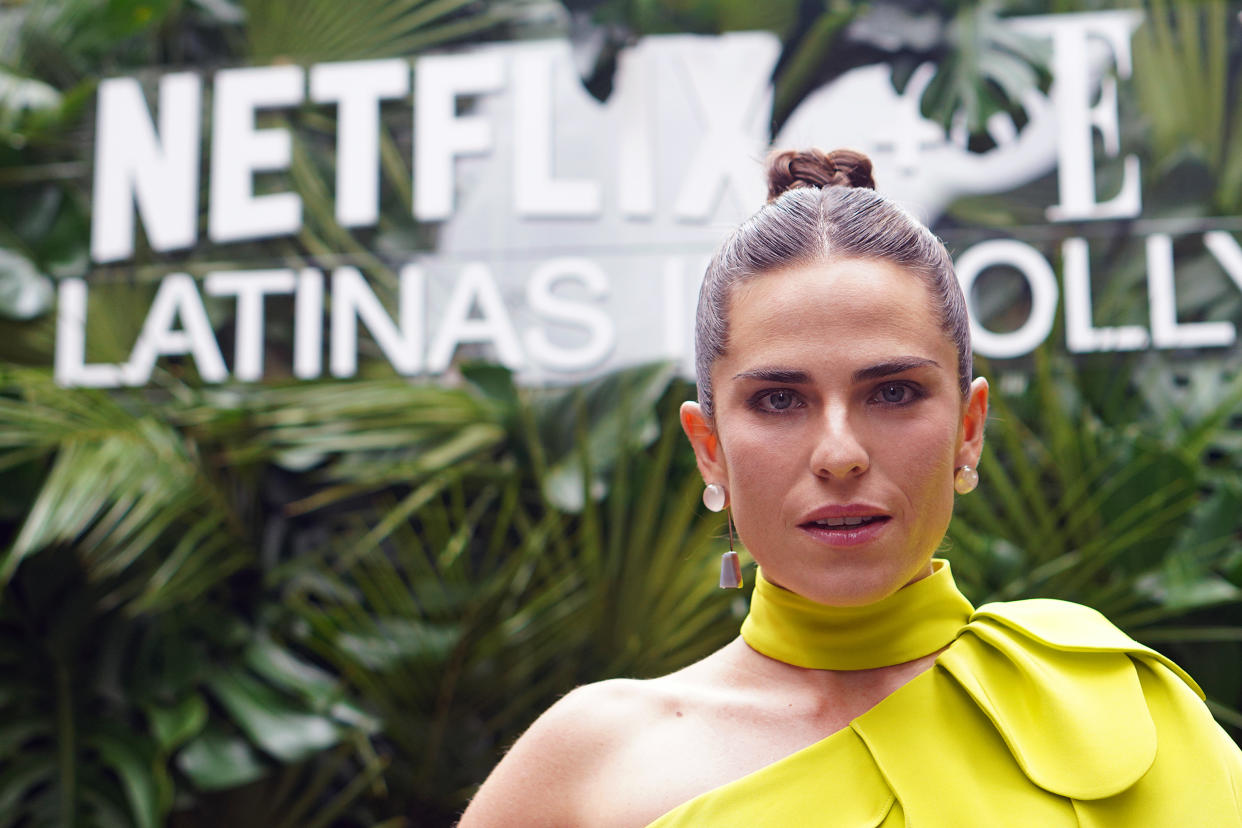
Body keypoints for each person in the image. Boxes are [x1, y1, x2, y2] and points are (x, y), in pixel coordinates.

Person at [458, 148, 1242, 827]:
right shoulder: (590, 763)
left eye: (894, 392)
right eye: (778, 400)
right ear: (710, 451)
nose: (839, 454)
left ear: (969, 427)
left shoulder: (1109, 694)